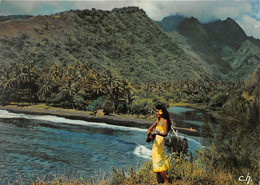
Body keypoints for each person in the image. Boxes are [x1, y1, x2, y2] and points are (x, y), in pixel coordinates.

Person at [147, 105, 171, 184]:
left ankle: (166, 181)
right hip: (155, 143)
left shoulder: (164, 121)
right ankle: (159, 181)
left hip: (160, 143)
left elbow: (165, 133)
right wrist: (149, 132)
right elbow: (150, 128)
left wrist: (157, 133)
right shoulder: (158, 120)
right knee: (156, 161)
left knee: (158, 162)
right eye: (156, 111)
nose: (156, 112)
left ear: (162, 112)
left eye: (158, 111)